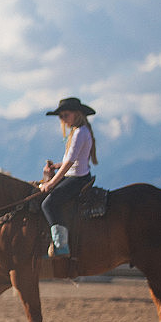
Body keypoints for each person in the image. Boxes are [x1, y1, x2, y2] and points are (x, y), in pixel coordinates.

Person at [38, 97, 98, 257]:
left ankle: (61, 244)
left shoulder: (79, 133)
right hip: (77, 175)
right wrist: (56, 167)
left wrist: (51, 183)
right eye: (61, 116)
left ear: (76, 114)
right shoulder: (81, 131)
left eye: (66, 115)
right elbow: (73, 160)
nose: (63, 119)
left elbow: (70, 163)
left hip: (77, 179)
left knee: (48, 204)